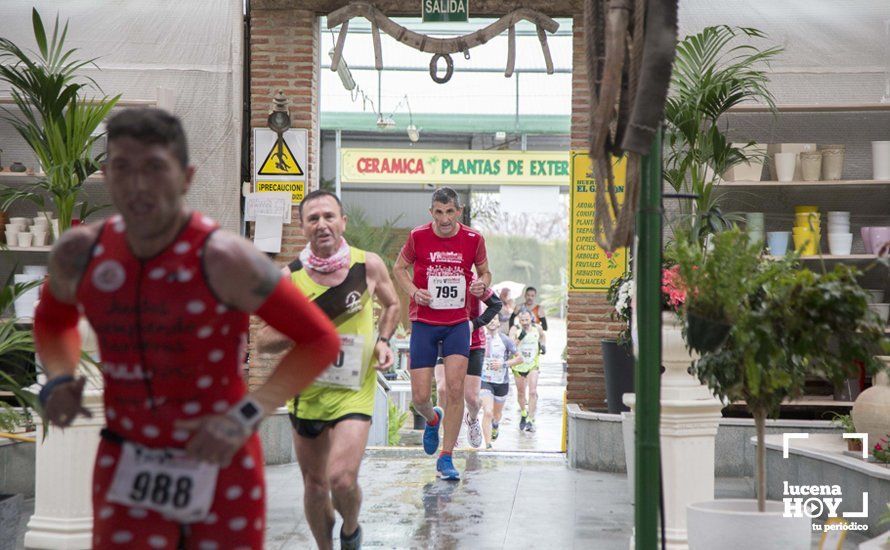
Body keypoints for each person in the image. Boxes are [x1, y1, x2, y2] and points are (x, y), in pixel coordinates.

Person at [33, 108, 341, 549]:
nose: (138, 186)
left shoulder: (226, 258)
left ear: (186, 177)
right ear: (105, 174)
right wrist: (61, 377)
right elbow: (52, 318)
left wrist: (249, 414)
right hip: (126, 462)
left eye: (155, 168)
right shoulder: (79, 253)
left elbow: (320, 339)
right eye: (123, 168)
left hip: (220, 463)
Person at [256, 190, 399, 550]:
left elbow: (393, 303)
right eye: (313, 218)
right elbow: (263, 341)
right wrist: (302, 328)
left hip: (355, 387)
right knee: (316, 486)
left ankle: (351, 528)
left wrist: (383, 340)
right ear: (303, 228)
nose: (322, 224)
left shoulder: (367, 265)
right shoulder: (288, 279)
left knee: (341, 479)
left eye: (329, 216)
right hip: (308, 392)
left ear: (343, 222)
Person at [393, 187, 491, 481]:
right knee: (420, 397)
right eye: (438, 212)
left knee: (455, 388)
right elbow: (398, 268)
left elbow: (486, 273)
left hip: (457, 323)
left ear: (458, 211)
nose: (444, 219)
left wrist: (481, 286)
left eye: (450, 212)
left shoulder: (474, 239)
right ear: (431, 212)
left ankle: (446, 457)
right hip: (424, 321)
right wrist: (413, 291)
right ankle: (433, 418)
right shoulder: (418, 236)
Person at [433, 284, 502, 449]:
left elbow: (497, 304)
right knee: (443, 389)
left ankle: (471, 420)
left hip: (473, 344)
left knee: (471, 398)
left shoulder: (474, 283)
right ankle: (448, 433)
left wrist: (475, 324)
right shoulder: (438, 279)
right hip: (445, 340)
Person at [479, 318, 522, 449]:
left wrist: (503, 364)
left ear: (499, 323)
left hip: (501, 382)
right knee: (488, 411)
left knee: (496, 415)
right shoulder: (479, 339)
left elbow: (520, 358)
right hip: (484, 381)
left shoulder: (505, 340)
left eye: (495, 319)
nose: (491, 321)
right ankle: (488, 445)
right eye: (489, 319)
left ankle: (495, 425)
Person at [509, 311, 546, 432]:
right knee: (521, 393)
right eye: (522, 320)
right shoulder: (515, 329)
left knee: (533, 392)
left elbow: (542, 336)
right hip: (518, 366)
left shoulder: (537, 328)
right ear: (519, 320)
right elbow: (510, 347)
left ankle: (530, 419)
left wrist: (543, 345)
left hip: (532, 364)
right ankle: (524, 414)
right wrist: (520, 338)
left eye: (527, 320)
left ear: (531, 318)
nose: (525, 322)